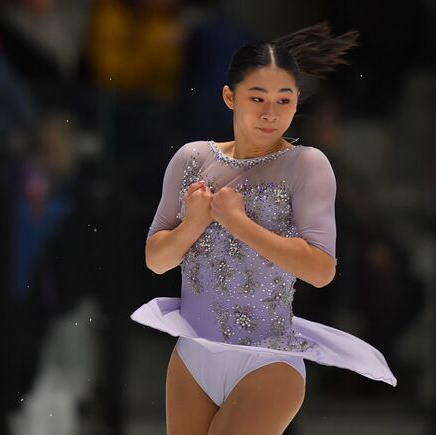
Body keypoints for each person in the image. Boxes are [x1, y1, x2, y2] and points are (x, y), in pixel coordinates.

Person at [130, 21, 397, 435]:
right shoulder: (193, 159)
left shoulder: (306, 165)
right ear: (229, 97)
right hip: (193, 357)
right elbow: (156, 260)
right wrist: (193, 225)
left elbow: (321, 269)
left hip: (268, 360)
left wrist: (237, 222)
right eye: (257, 98)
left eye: (284, 99)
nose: (271, 113)